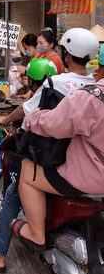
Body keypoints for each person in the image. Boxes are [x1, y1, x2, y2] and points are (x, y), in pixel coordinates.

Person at [0, 29, 97, 273]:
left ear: (64, 54)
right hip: (91, 165)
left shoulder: (56, 83)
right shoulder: (96, 86)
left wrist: (5, 120)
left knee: (15, 189)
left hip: (59, 163)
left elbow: (29, 113)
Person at [13, 29, 101, 251]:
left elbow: (56, 124)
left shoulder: (89, 96)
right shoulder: (86, 84)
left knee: (26, 170)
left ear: (65, 55)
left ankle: (35, 233)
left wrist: (35, 117)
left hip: (90, 176)